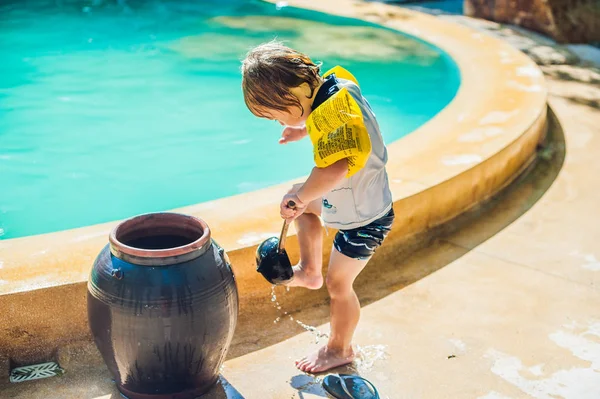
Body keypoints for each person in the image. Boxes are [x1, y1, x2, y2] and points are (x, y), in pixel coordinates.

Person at [241, 41, 394, 373]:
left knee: (339, 285)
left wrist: (300, 195)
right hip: (353, 198)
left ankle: (340, 348)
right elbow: (338, 122)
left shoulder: (331, 116)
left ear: (292, 95)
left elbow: (336, 167)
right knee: (306, 208)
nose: (275, 120)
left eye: (275, 113)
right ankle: (308, 273)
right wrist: (303, 128)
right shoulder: (334, 88)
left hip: (365, 219)